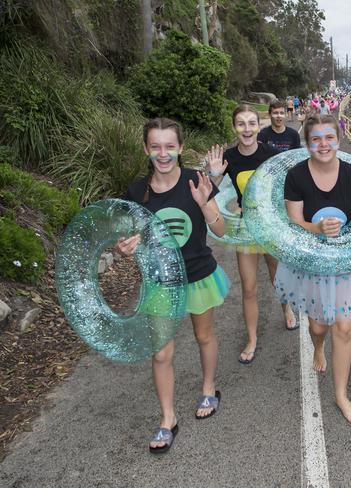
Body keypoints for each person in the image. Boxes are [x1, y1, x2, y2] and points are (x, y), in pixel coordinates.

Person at [120, 117, 230, 453]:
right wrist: (126, 247)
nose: (163, 153)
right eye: (156, 146)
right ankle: (167, 418)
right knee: (161, 352)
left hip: (198, 275)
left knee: (204, 335)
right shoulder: (136, 192)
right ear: (146, 148)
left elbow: (222, 229)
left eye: (170, 146)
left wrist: (204, 204)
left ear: (180, 148)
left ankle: (209, 388)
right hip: (160, 281)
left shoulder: (196, 181)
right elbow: (131, 238)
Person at [274, 114, 351, 423]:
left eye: (329, 137)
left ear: (338, 140)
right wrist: (316, 228)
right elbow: (295, 222)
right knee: (318, 327)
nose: (323, 144)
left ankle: (341, 394)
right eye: (316, 138)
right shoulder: (296, 176)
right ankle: (317, 349)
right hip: (311, 261)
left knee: (344, 326)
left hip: (346, 262)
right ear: (308, 142)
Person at [206, 104, 296, 366]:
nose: (247, 129)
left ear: (259, 126)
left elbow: (283, 189)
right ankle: (252, 339)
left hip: (270, 226)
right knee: (248, 288)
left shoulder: (271, 155)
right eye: (241, 124)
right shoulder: (228, 158)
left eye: (251, 123)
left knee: (277, 277)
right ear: (235, 127)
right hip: (246, 229)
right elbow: (209, 195)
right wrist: (213, 176)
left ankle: (286, 308)